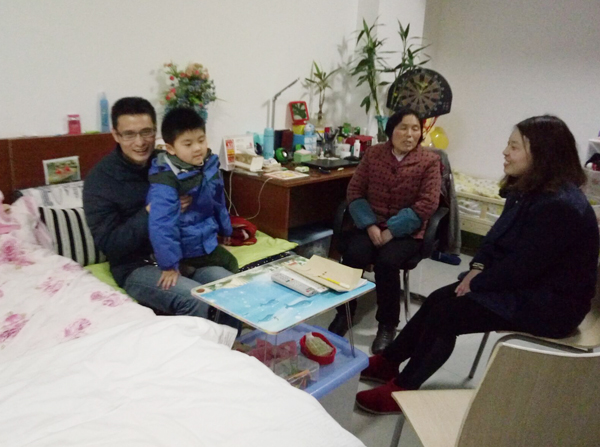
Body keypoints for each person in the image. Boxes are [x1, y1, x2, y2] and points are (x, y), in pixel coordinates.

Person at [355, 115, 600, 415]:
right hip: (523, 286)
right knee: (437, 299)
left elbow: (523, 268)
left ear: (542, 154)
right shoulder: (527, 190)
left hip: (551, 305)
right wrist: (477, 268)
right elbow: (495, 239)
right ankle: (389, 362)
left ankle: (402, 389)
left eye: (514, 147)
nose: (505, 152)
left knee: (447, 314)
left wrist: (477, 283)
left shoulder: (561, 206)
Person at [83, 97, 238, 329]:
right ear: (116, 135)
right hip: (137, 266)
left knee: (230, 286)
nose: (140, 142)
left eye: (146, 132)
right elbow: (110, 245)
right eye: (129, 134)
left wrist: (220, 229)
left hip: (185, 255)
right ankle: (197, 352)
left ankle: (229, 346)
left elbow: (206, 197)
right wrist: (150, 212)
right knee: (194, 298)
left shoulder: (170, 161)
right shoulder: (100, 181)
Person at [328, 108, 442, 354]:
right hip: (371, 224)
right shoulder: (374, 154)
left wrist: (392, 230)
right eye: (403, 128)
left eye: (415, 129)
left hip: (408, 231)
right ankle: (344, 313)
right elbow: (355, 191)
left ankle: (387, 325)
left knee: (388, 262)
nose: (409, 135)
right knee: (354, 254)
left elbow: (428, 203)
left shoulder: (430, 161)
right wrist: (369, 224)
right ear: (391, 130)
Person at [148, 107, 238, 290]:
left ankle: (191, 269)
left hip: (205, 241)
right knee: (230, 265)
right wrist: (169, 265)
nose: (197, 148)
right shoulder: (166, 178)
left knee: (230, 262)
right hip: (184, 247)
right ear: (170, 148)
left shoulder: (209, 164)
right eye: (188, 144)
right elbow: (161, 223)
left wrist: (226, 231)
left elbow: (218, 200)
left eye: (201, 140)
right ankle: (183, 266)